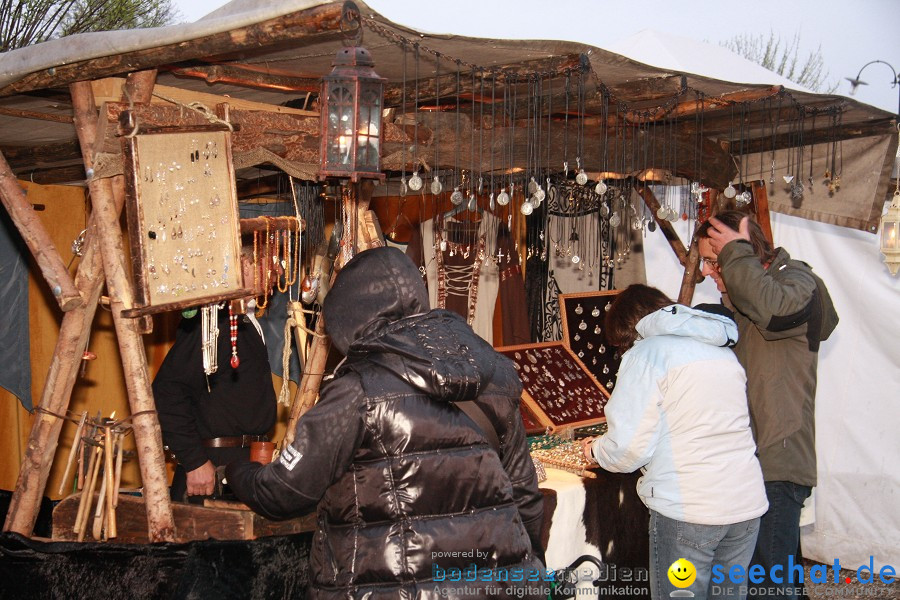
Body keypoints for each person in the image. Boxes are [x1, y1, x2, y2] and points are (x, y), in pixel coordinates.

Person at [225, 246, 546, 599]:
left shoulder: (356, 392)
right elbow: (525, 496)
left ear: (349, 318)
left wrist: (237, 472)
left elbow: (283, 492)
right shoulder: (495, 375)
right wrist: (527, 567)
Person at [581, 284, 768, 600]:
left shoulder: (647, 354)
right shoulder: (720, 349)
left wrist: (596, 450)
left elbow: (628, 449)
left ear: (628, 329)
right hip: (745, 504)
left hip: (690, 508)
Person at [696, 211, 838, 600]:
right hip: (752, 464)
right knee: (777, 582)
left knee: (768, 589)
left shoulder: (796, 283)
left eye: (713, 260)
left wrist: (735, 256)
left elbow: (773, 310)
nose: (708, 273)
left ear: (744, 250)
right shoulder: (745, 301)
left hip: (778, 460)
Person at [153, 247, 277, 502]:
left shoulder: (247, 320)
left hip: (244, 467)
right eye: (268, 261)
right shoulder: (213, 321)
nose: (277, 270)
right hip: (212, 471)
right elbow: (167, 391)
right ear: (241, 264)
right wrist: (195, 461)